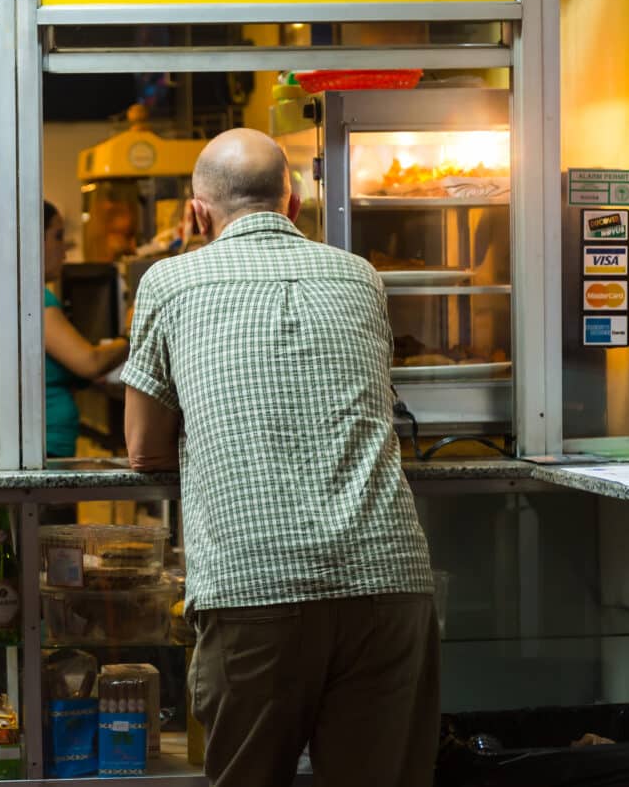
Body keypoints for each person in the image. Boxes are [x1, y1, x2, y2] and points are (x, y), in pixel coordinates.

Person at [122, 128, 438, 787]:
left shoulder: (169, 280)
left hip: (253, 586)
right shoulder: (360, 276)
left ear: (198, 211)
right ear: (293, 205)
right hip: (388, 578)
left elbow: (144, 448)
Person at [0, 201, 128, 458]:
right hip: (38, 448)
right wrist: (133, 334)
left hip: (33, 445)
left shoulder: (10, 297)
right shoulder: (31, 301)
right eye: (57, 236)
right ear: (33, 241)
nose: (65, 251)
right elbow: (90, 362)